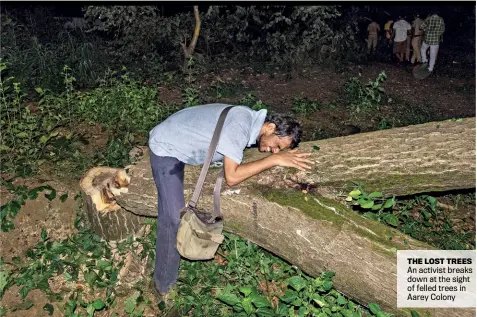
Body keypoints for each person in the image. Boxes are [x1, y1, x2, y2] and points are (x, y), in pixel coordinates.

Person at [148, 104, 313, 299]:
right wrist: (274, 161)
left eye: (279, 151)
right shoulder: (240, 124)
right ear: (269, 127)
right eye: (277, 145)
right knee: (174, 217)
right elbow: (232, 177)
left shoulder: (248, 122)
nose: (274, 151)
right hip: (166, 146)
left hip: (183, 142)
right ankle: (163, 287)